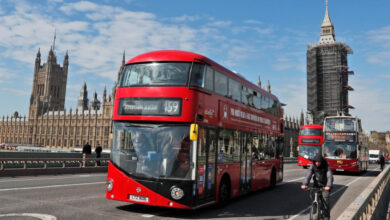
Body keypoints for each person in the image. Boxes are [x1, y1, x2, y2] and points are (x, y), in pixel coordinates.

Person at [301, 154, 333, 220]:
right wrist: (305, 184)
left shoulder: (326, 166)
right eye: (316, 162)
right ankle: (315, 207)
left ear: (321, 162)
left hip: (325, 186)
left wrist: (328, 185)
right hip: (316, 185)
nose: (317, 163)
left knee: (325, 200)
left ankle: (327, 216)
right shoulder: (313, 166)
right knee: (312, 194)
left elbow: (330, 177)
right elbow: (308, 175)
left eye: (319, 162)